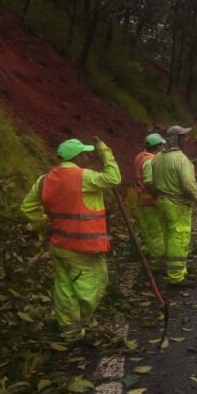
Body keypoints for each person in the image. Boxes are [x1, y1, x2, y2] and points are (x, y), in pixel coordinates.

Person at [20, 138, 121, 342]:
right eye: (84, 153)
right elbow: (114, 178)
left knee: (65, 288)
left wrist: (43, 225)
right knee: (92, 285)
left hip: (59, 245)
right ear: (77, 157)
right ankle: (81, 322)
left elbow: (27, 207)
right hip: (83, 248)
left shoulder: (44, 180)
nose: (86, 157)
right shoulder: (83, 177)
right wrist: (105, 151)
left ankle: (70, 331)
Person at [150, 125, 197, 288]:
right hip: (177, 205)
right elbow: (188, 186)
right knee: (178, 239)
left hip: (162, 202)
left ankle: (177, 270)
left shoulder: (157, 158)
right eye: (183, 137)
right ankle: (176, 276)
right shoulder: (181, 159)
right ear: (176, 140)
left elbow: (153, 182)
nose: (186, 139)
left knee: (168, 236)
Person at [133, 133, 166, 262]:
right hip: (150, 202)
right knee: (156, 233)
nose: (164, 148)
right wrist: (159, 197)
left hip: (142, 200)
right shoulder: (150, 160)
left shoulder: (140, 156)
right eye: (162, 145)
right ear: (158, 146)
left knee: (147, 231)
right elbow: (149, 182)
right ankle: (158, 261)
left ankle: (148, 254)